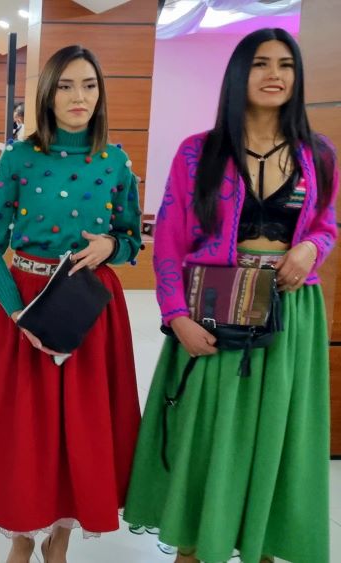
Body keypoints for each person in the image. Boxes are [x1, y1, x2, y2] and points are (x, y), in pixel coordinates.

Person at [123, 28, 337, 563]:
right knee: (204, 436)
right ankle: (194, 548)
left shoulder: (319, 154)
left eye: (286, 65)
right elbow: (168, 242)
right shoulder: (199, 151)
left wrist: (311, 248)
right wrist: (176, 317)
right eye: (261, 63)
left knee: (276, 440)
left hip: (290, 315)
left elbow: (328, 223)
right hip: (213, 312)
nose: (274, 75)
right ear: (239, 73)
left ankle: (261, 545)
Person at [0, 45, 143, 563]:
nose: (78, 97)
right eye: (65, 86)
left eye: (89, 85)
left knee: (83, 429)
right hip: (25, 309)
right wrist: (19, 314)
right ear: (47, 94)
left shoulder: (115, 162)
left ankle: (60, 541)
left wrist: (111, 246)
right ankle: (22, 537)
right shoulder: (16, 160)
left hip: (91, 311)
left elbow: (132, 239)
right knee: (27, 430)